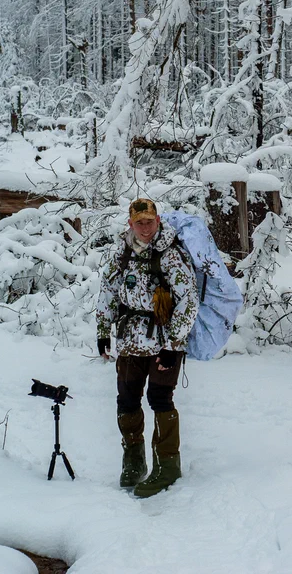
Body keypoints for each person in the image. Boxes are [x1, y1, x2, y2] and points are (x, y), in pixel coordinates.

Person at [96, 198, 199, 497]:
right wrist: (103, 330)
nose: (145, 228)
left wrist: (173, 345)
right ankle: (134, 460)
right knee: (127, 398)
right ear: (130, 223)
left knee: (159, 398)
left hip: (164, 340)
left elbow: (189, 300)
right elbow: (108, 292)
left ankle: (167, 466)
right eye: (139, 222)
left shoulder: (171, 254)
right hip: (130, 339)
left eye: (149, 222)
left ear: (157, 221)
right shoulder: (122, 253)